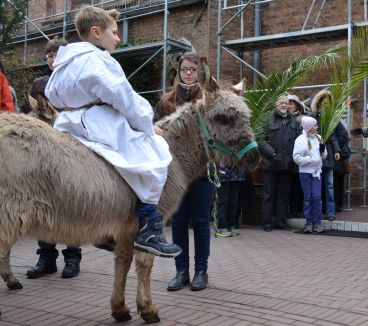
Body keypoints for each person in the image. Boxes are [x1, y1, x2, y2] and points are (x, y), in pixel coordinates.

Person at [44, 6, 181, 258]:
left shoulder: (65, 61)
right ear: (96, 33)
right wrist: (146, 123)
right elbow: (123, 97)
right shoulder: (99, 59)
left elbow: (51, 94)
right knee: (155, 154)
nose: (118, 38)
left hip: (68, 122)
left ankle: (107, 230)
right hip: (99, 122)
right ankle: (149, 228)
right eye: (114, 33)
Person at [22, 36, 84, 279]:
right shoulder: (38, 83)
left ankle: (73, 258)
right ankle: (46, 259)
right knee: (43, 209)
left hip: (68, 152)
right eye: (49, 55)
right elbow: (26, 114)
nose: (52, 58)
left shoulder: (74, 83)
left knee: (69, 207)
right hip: (41, 155)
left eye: (56, 54)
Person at [153, 52, 214, 291]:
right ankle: (181, 271)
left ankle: (201, 271)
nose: (188, 73)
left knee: (199, 221)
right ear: (178, 72)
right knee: (178, 221)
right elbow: (154, 129)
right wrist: (155, 129)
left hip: (201, 172)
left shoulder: (209, 99)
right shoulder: (167, 101)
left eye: (193, 69)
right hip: (174, 173)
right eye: (184, 69)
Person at [258, 95, 300, 232]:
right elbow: (260, 139)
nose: (284, 105)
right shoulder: (267, 119)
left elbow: (298, 140)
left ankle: (280, 221)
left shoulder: (293, 120)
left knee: (283, 194)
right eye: (281, 103)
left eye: (286, 103)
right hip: (271, 163)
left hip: (287, 164)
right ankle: (267, 222)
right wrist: (272, 153)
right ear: (276, 105)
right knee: (269, 194)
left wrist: (293, 157)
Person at [310, 89, 340, 221]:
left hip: (327, 155)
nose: (326, 105)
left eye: (328, 103)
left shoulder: (330, 118)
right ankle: (316, 211)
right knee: (316, 185)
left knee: (329, 185)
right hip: (315, 154)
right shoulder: (312, 117)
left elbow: (332, 136)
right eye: (324, 102)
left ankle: (331, 212)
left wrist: (337, 150)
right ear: (319, 102)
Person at [293, 116, 327, 233]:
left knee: (317, 197)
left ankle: (317, 222)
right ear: (308, 127)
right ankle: (308, 223)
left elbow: (324, 156)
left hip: (317, 173)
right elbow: (296, 158)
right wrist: (311, 160)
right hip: (305, 173)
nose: (317, 127)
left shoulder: (319, 138)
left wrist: (323, 151)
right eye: (315, 125)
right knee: (308, 197)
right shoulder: (300, 140)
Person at [287, 94, 307, 218]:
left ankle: (298, 208)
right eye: (287, 103)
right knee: (289, 185)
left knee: (298, 185)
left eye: (292, 103)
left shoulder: (302, 119)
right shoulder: (283, 118)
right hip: (287, 158)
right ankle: (291, 208)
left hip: (299, 158)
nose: (289, 106)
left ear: (297, 105)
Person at [215, 163, 246, 237]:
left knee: (233, 202)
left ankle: (231, 225)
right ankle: (221, 226)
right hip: (222, 171)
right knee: (223, 202)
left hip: (236, 174)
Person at [333, 121, 350, 213]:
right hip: (335, 158)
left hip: (339, 159)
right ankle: (335, 205)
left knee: (337, 183)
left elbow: (343, 137)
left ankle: (337, 205)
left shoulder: (337, 123)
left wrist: (332, 146)